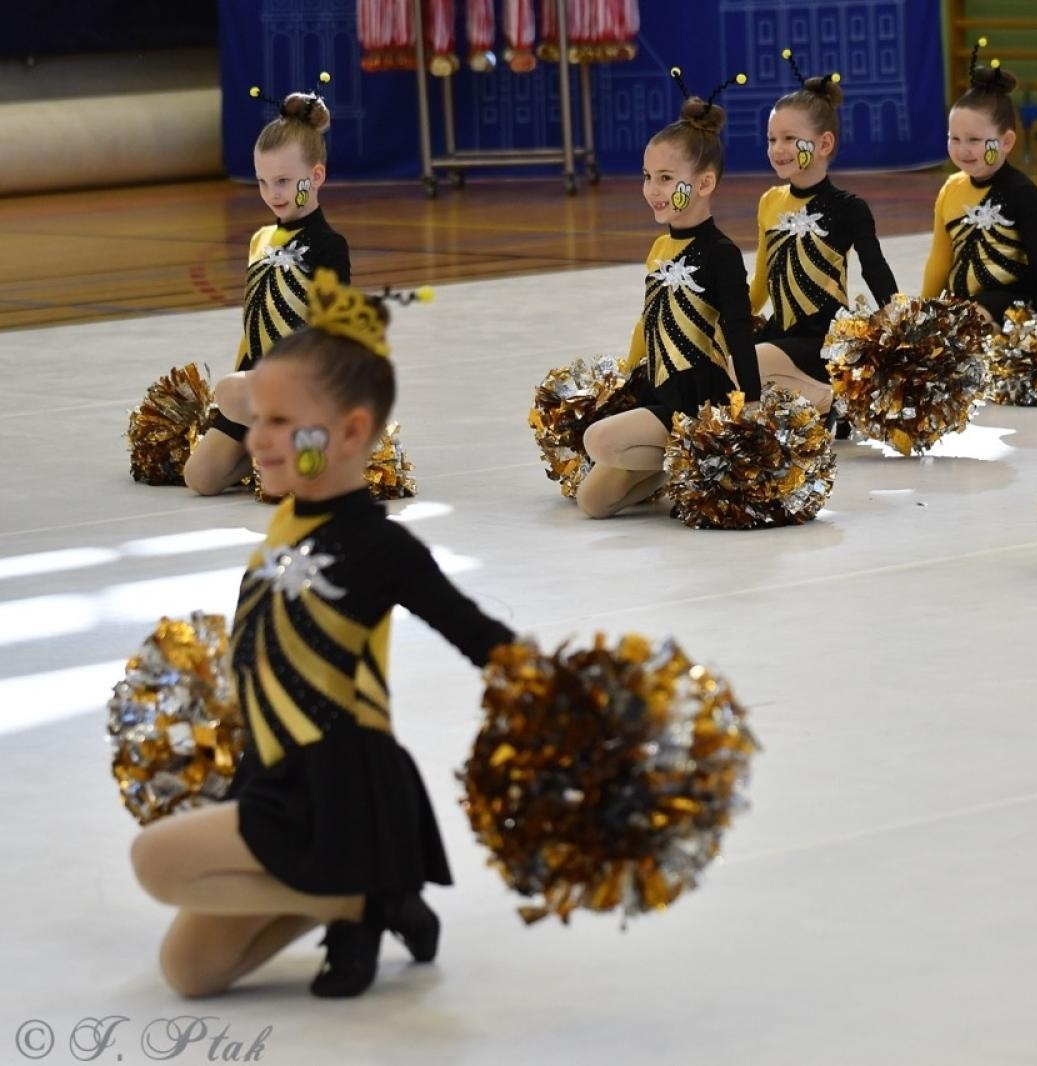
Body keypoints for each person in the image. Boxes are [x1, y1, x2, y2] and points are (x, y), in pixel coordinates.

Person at [132, 270, 515, 998]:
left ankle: (359, 896)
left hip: (338, 783)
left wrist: (557, 693)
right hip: (272, 772)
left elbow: (478, 633)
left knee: (156, 861)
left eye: (282, 423)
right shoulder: (288, 516)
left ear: (352, 434)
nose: (259, 440)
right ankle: (366, 901)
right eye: (260, 421)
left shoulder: (379, 545)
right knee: (191, 971)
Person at [576, 70, 762, 519]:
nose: (652, 191)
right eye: (647, 177)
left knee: (598, 440)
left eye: (664, 178)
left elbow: (738, 328)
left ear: (704, 184)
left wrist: (753, 402)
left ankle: (693, 450)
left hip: (701, 397)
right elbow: (649, 321)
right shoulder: (660, 248)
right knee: (592, 502)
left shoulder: (721, 253)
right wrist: (622, 378)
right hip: (661, 392)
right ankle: (676, 466)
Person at [184, 77, 351, 495]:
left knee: (229, 391)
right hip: (255, 388)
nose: (272, 193)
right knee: (199, 479)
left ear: (314, 177)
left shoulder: (329, 246)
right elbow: (253, 327)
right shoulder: (260, 241)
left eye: (282, 181)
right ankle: (270, 444)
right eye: (262, 181)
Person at [749, 50, 898, 418]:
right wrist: (725, 323)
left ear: (824, 144)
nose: (777, 149)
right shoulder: (770, 202)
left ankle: (838, 397)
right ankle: (818, 402)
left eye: (788, 138)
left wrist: (902, 326)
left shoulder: (849, 207)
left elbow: (875, 271)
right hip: (780, 334)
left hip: (824, 338)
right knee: (723, 368)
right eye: (771, 139)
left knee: (746, 364)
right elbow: (763, 283)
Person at [920, 40, 1037, 322]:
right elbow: (940, 260)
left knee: (973, 317)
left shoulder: (1023, 194)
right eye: (954, 138)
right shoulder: (951, 189)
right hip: (963, 306)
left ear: (1006, 141)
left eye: (974, 140)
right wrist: (920, 312)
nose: (963, 150)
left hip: (1015, 304)